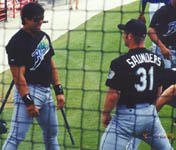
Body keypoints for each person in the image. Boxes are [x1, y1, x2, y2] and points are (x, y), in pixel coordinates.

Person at [99, 19, 173, 150]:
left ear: (130, 36)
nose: (123, 35)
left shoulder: (120, 62)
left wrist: (105, 114)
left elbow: (113, 95)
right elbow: (159, 90)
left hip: (125, 120)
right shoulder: (157, 60)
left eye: (125, 33)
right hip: (150, 117)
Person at [2, 2, 65, 150]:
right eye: (36, 19)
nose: (40, 22)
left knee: (51, 134)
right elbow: (18, 77)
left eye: (42, 18)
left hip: (47, 92)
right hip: (29, 91)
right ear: (26, 19)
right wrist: (28, 102)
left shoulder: (43, 36)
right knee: (16, 137)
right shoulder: (16, 43)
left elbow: (51, 64)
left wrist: (59, 90)